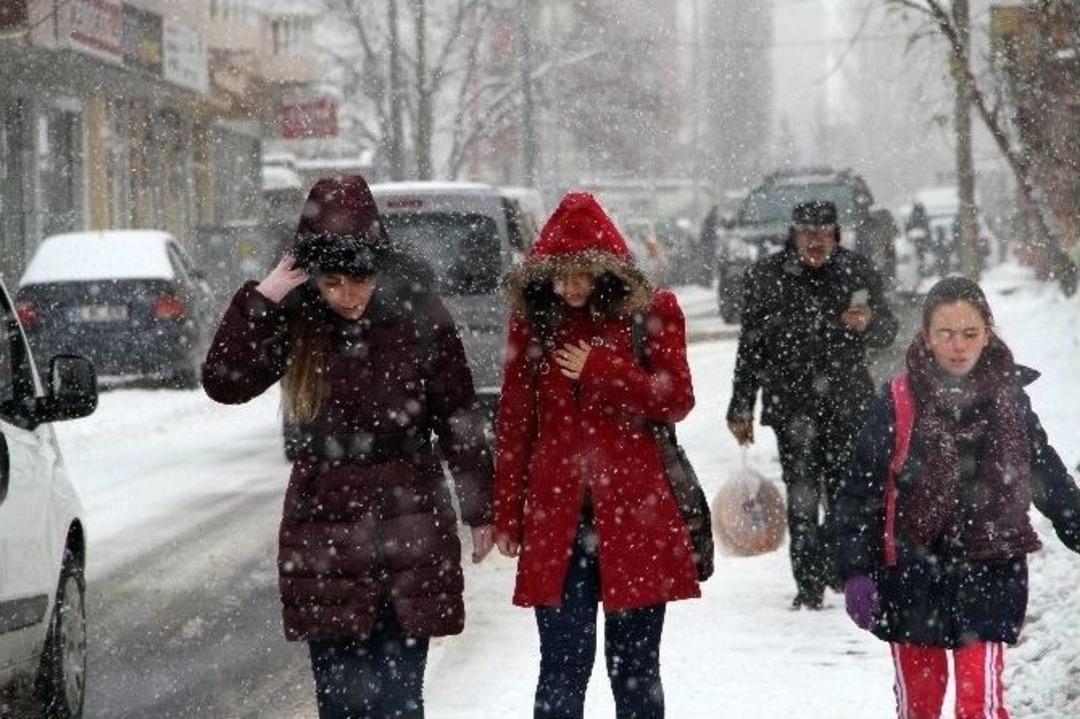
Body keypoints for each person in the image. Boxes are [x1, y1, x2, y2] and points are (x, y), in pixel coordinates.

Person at [202, 175, 495, 719]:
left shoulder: (419, 315)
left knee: (399, 700)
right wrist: (264, 297)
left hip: (410, 520)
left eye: (357, 278)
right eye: (330, 281)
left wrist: (481, 509)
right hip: (325, 527)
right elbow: (224, 381)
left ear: (378, 267)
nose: (346, 295)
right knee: (339, 702)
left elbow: (458, 415)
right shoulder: (297, 318)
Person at [493, 192, 700, 719]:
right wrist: (506, 514)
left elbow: (676, 398)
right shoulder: (534, 323)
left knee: (634, 670)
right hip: (556, 519)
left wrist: (602, 368)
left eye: (582, 274)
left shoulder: (651, 314)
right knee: (562, 665)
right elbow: (516, 424)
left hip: (636, 515)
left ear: (607, 270)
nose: (570, 287)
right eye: (559, 275)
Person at [837, 276, 1080, 719]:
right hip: (913, 576)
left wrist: (1074, 519)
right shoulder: (897, 401)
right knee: (920, 708)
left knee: (980, 705)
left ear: (988, 333)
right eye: (946, 334)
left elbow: (1042, 468)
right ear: (926, 337)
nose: (958, 346)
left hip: (991, 567)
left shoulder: (1009, 399)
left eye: (970, 333)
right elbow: (862, 490)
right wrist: (855, 569)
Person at [726, 199, 898, 609]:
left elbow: (888, 331)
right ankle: (808, 586)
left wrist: (869, 323)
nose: (815, 242)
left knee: (844, 497)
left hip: (848, 405)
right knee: (802, 500)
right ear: (793, 235)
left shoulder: (857, 270)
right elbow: (750, 348)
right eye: (807, 234)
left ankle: (837, 569)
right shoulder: (766, 277)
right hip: (792, 408)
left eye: (823, 234)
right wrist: (740, 406)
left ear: (836, 235)